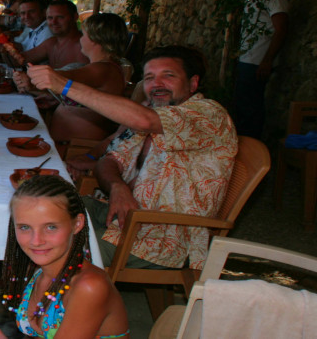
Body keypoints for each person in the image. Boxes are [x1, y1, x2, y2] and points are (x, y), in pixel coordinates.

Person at [27, 46, 238, 270]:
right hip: (120, 216)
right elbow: (108, 161)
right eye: (149, 77)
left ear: (193, 83)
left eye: (168, 75)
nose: (156, 84)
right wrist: (118, 186)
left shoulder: (207, 114)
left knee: (52, 243)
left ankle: (23, 291)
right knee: (40, 205)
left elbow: (144, 121)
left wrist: (63, 85)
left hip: (163, 239)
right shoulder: (156, 114)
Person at [0, 175, 129, 339]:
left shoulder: (90, 287)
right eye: (25, 227)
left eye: (51, 227)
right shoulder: (37, 269)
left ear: (77, 223)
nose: (36, 241)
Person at [16, 13, 129, 155]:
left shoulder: (102, 69)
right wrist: (54, 99)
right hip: (67, 145)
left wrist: (32, 77)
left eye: (84, 35)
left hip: (76, 150)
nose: (80, 39)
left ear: (94, 39)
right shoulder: (106, 67)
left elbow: (60, 79)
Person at [234, 0, 288, 139]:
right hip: (245, 60)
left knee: (251, 109)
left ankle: (253, 149)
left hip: (257, 61)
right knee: (242, 107)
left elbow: (281, 29)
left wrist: (267, 60)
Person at [24, 0, 88, 68]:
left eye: (60, 17)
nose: (54, 22)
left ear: (75, 17)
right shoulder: (51, 43)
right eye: (50, 18)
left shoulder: (84, 46)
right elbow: (20, 59)